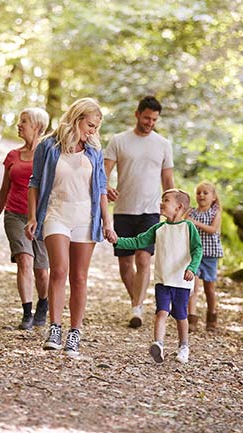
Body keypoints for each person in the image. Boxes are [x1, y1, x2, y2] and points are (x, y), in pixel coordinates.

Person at [24, 97, 116, 356]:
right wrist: (32, 218)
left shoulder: (94, 152)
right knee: (60, 269)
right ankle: (55, 327)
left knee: (79, 277)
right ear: (76, 119)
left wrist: (107, 223)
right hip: (55, 214)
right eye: (90, 124)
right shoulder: (48, 147)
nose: (93, 131)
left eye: (96, 127)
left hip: (85, 218)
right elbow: (35, 183)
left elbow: (100, 190)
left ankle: (75, 332)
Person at [104, 96, 174, 328]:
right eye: (146, 117)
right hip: (123, 209)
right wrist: (106, 188)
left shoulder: (163, 144)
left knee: (143, 259)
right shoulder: (119, 140)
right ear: (137, 114)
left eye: (154, 119)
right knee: (125, 264)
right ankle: (137, 301)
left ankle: (137, 307)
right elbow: (103, 173)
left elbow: (167, 179)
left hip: (150, 211)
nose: (150, 122)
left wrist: (172, 208)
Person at [109, 188, 202, 363]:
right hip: (163, 280)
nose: (161, 203)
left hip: (182, 281)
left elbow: (198, 250)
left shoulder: (188, 228)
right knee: (161, 312)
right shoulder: (159, 228)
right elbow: (138, 241)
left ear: (179, 207)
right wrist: (118, 241)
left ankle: (184, 347)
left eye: (166, 200)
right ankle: (158, 344)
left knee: (181, 315)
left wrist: (192, 267)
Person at [0, 108, 51, 330]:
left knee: (42, 270)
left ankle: (43, 303)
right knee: (24, 260)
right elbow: (4, 190)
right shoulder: (13, 156)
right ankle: (26, 312)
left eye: (24, 122)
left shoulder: (49, 154)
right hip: (14, 215)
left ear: (38, 127)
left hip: (42, 218)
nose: (19, 125)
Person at [187, 181, 223, 331]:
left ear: (213, 197)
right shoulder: (191, 213)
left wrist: (195, 223)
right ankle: (192, 319)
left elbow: (213, 229)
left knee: (209, 288)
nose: (201, 195)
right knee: (193, 288)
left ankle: (212, 316)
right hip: (195, 255)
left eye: (205, 193)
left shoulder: (215, 213)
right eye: (199, 193)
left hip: (210, 256)